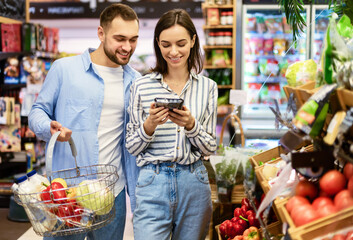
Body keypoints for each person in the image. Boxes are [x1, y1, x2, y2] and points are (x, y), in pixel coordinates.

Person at [28, 3, 140, 240]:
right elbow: (38, 111)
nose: (127, 47)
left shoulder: (135, 81)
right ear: (101, 33)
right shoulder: (64, 69)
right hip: (66, 192)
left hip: (112, 191)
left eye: (133, 39)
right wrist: (49, 127)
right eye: (120, 38)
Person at [126, 8, 218, 240]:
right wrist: (149, 125)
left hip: (194, 182)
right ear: (158, 44)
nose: (174, 51)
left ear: (193, 41)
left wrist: (191, 125)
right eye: (166, 44)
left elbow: (209, 148)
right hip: (152, 181)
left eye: (181, 43)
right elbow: (132, 147)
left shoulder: (208, 88)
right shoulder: (141, 86)